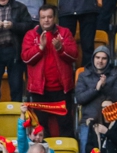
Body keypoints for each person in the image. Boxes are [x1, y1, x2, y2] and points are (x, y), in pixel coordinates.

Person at [21, 4, 78, 138]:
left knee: (66, 126)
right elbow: (25, 58)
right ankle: (43, 152)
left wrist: (60, 48)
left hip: (62, 90)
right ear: (39, 19)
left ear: (55, 18)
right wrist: (40, 48)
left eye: (49, 17)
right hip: (40, 91)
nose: (46, 20)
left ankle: (66, 152)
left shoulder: (65, 33)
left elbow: (74, 55)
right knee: (41, 129)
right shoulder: (31, 35)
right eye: (43, 17)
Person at [75, 46, 117, 153]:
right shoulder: (83, 75)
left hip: (110, 123)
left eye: (104, 58)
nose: (100, 61)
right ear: (93, 58)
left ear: (108, 60)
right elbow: (80, 98)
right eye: (97, 57)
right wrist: (96, 89)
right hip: (89, 121)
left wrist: (104, 86)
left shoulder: (115, 75)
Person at [58, 0, 99, 68]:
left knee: (88, 46)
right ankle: (65, 72)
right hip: (67, 8)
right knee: (64, 46)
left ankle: (87, 73)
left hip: (87, 8)